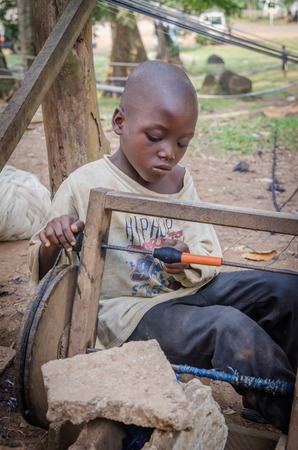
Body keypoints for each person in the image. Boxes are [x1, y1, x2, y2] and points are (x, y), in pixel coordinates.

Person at [28, 60, 297, 434]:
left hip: (188, 290)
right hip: (130, 315)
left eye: (182, 142)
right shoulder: (86, 184)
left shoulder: (181, 182)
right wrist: (53, 238)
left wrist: (185, 256)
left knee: (287, 290)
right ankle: (287, 411)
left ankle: (261, 395)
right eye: (155, 137)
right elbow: (45, 278)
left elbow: (207, 252)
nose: (169, 152)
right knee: (229, 327)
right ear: (120, 123)